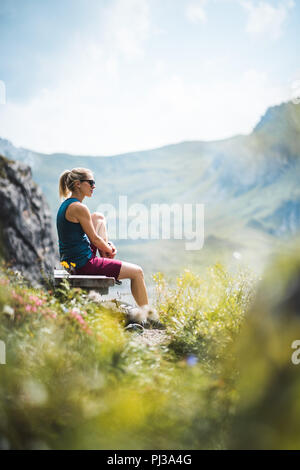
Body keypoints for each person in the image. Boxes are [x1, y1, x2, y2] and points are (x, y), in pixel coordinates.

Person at [56, 167, 159, 323]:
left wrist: (107, 246)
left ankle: (107, 259)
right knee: (137, 272)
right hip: (84, 264)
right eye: (90, 182)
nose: (93, 186)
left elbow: (95, 237)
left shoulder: (68, 204)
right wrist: (109, 248)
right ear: (78, 184)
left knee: (98, 217)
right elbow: (95, 240)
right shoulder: (79, 208)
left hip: (74, 260)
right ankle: (150, 318)